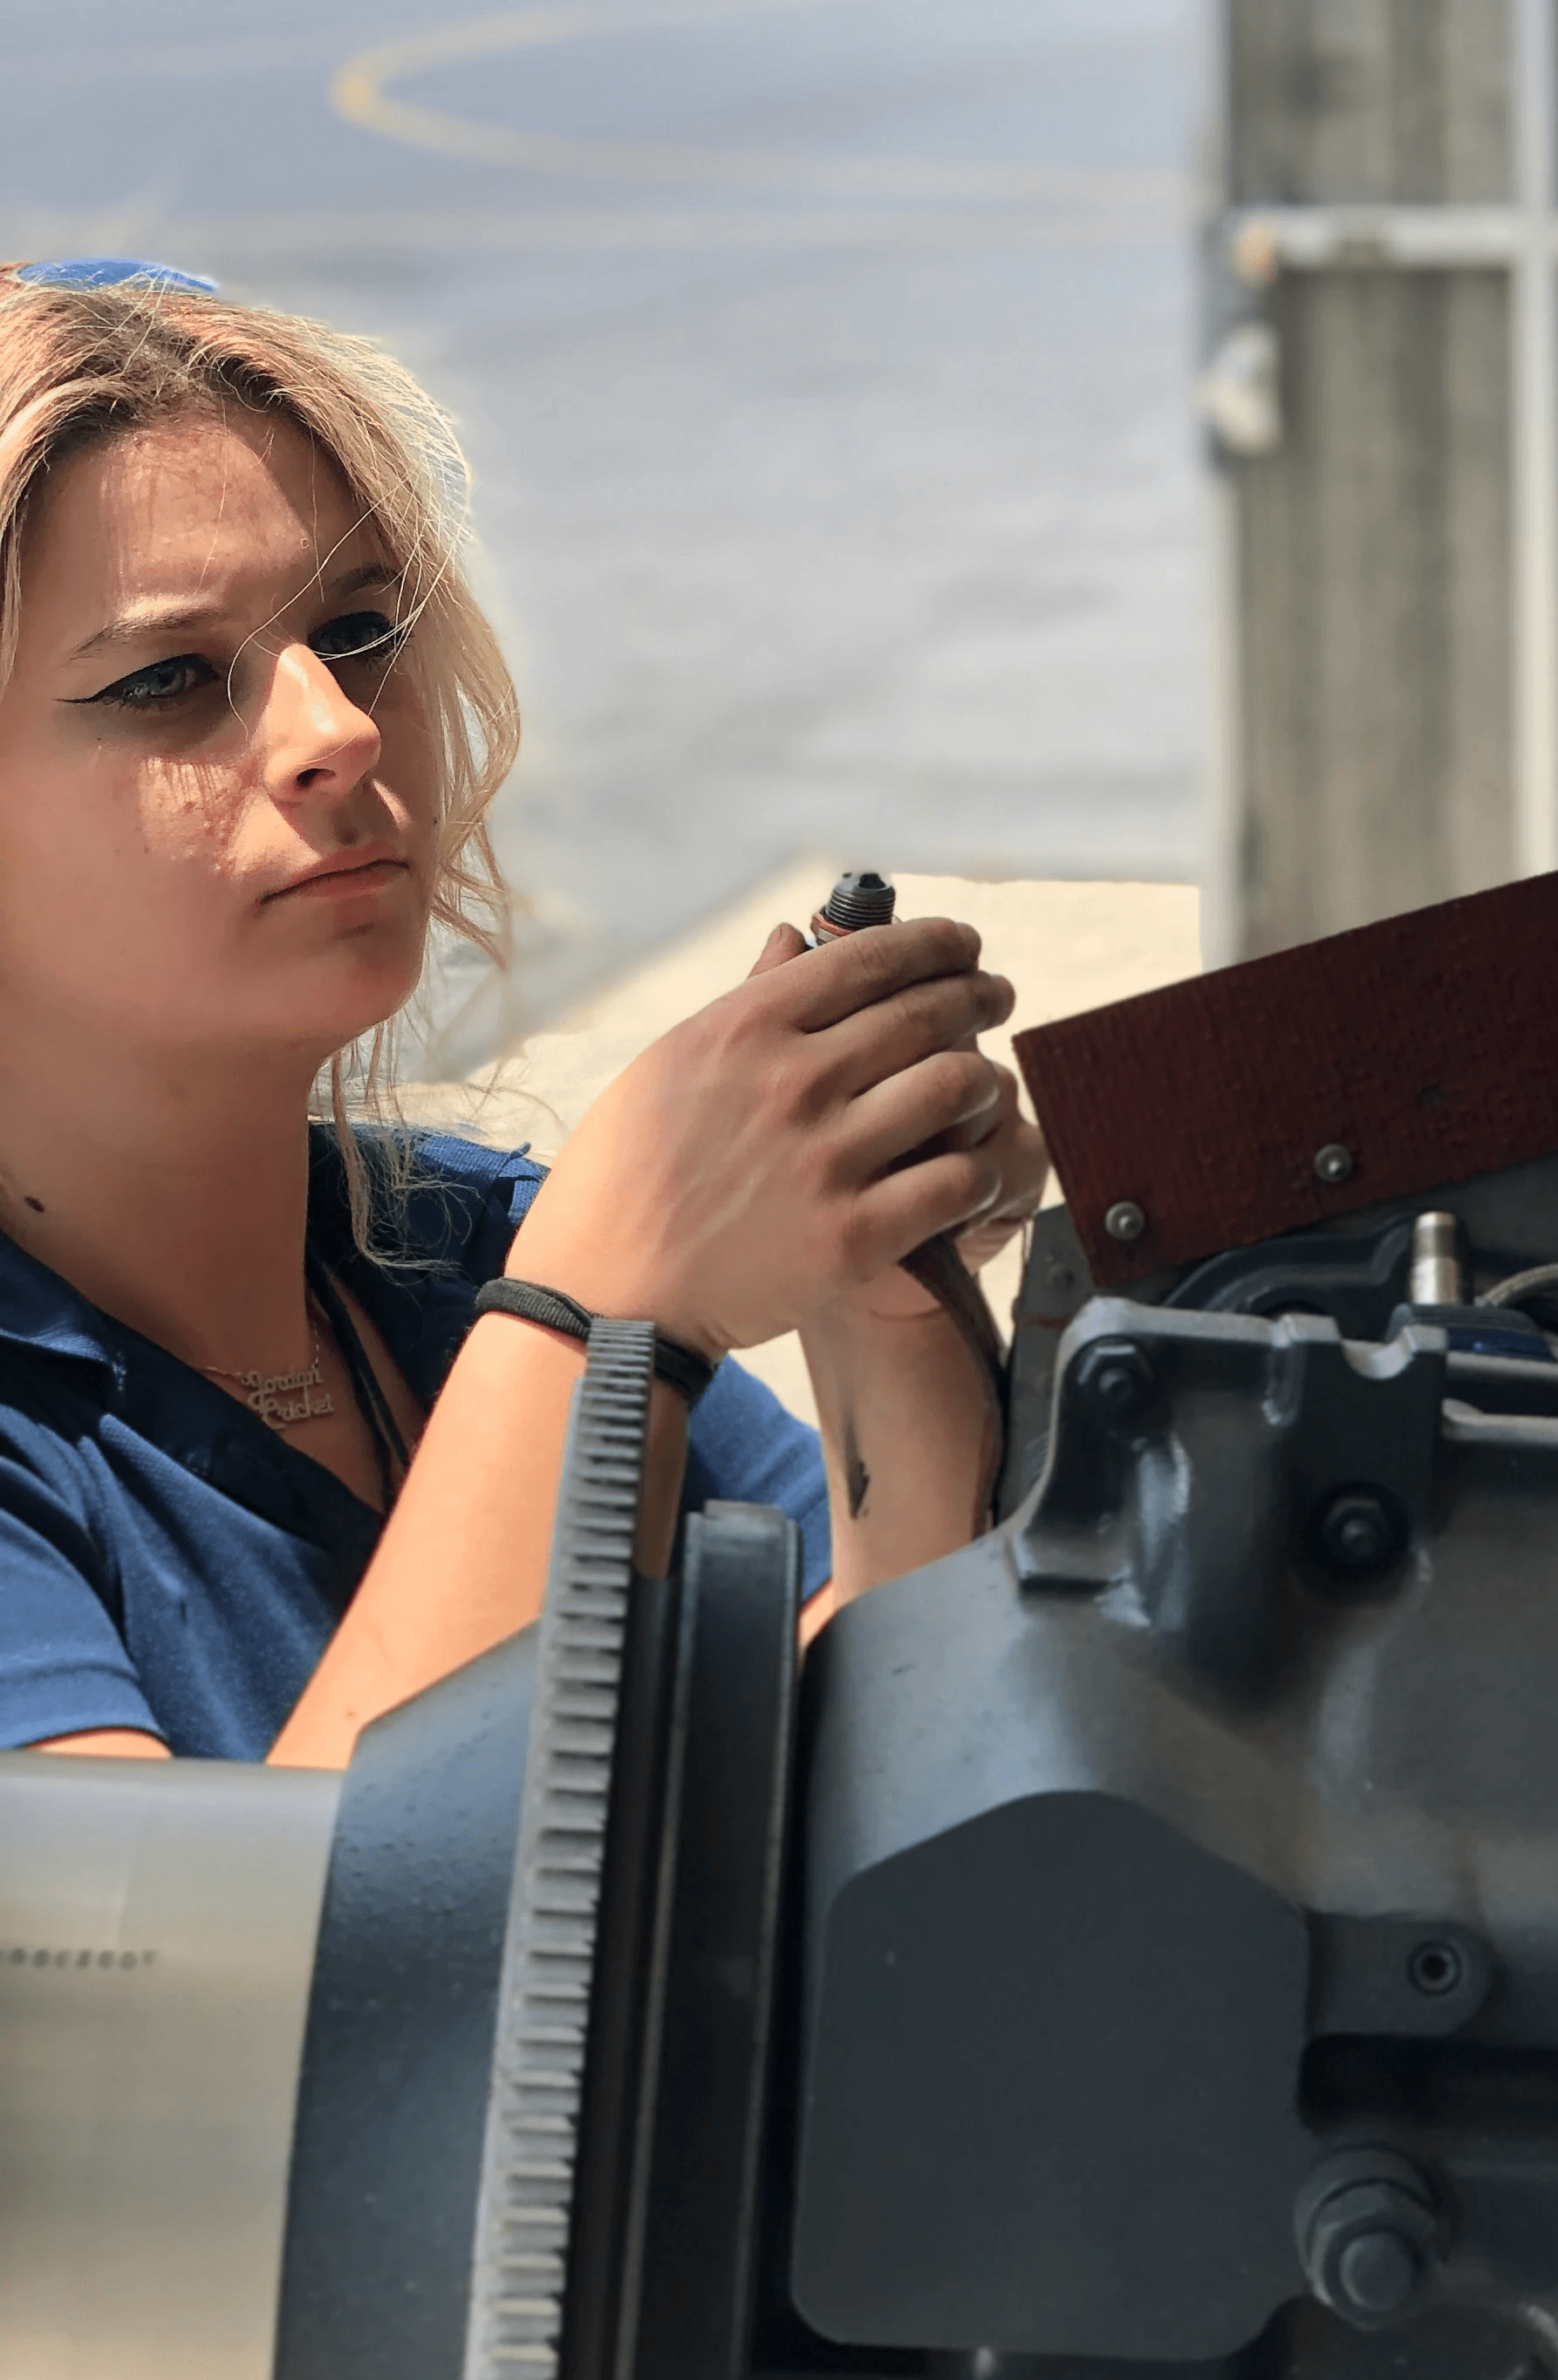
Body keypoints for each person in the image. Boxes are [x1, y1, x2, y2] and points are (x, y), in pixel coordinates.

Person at [0, 258, 1047, 1770]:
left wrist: (875, 1288)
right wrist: (597, 1311)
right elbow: (217, 1985)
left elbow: (892, 1752)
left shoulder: (454, 1254)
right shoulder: (543, 1278)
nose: (339, 729)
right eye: (168, 678)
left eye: (359, 629)